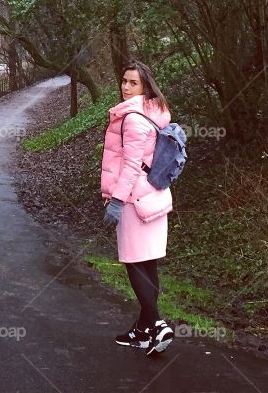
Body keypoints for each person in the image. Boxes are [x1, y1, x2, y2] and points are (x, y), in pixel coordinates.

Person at [100, 59, 175, 355]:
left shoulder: (132, 118)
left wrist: (116, 201)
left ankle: (157, 324)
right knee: (148, 263)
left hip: (135, 201)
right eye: (124, 81)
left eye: (134, 83)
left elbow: (131, 165)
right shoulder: (153, 112)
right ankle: (143, 330)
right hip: (154, 197)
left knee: (134, 263)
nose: (126, 88)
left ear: (145, 86)